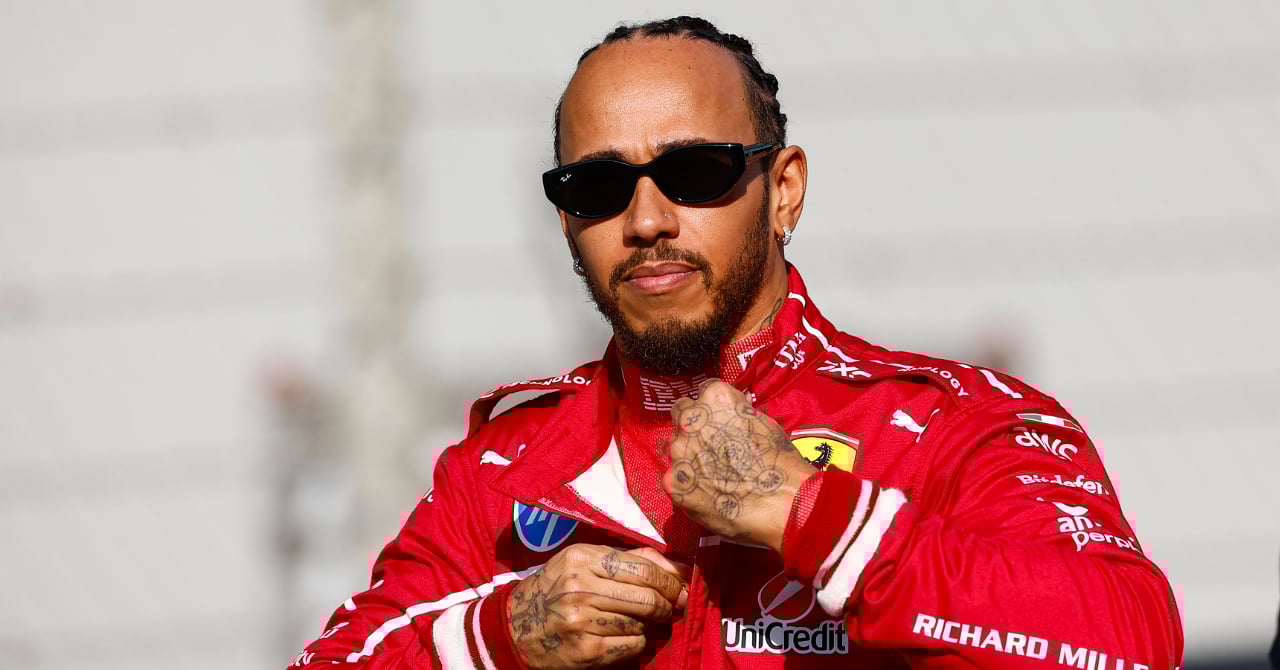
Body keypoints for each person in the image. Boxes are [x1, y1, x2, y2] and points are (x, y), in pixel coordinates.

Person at [291, 16, 1183, 669]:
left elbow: (1133, 641)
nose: (646, 220)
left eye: (695, 172)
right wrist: (494, 638)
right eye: (597, 187)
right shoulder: (501, 469)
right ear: (565, 221)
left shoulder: (950, 427)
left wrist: (813, 516)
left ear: (783, 190)